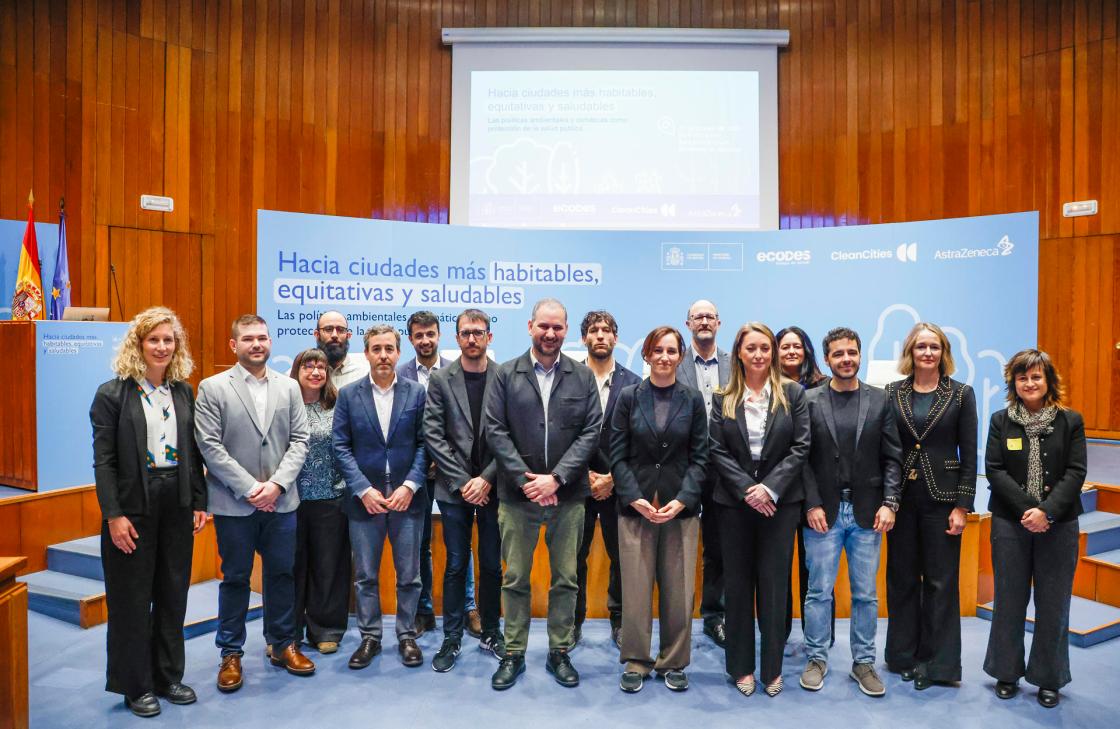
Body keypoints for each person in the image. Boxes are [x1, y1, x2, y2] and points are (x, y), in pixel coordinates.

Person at [90, 307, 208, 717]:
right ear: (138, 343)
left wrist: (198, 501)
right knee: (131, 599)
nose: (161, 346)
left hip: (175, 499)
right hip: (132, 505)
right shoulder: (112, 394)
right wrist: (113, 515)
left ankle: (168, 676)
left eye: (168, 340)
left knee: (173, 594)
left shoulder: (182, 391)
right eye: (153, 339)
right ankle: (135, 684)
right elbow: (103, 462)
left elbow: (192, 453)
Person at [485, 298, 602, 690]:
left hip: (568, 497)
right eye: (543, 326)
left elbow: (591, 432)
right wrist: (527, 480)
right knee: (515, 577)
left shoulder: (582, 377)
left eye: (557, 327)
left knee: (566, 578)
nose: (550, 334)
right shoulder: (504, 374)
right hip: (517, 498)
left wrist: (557, 479)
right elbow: (495, 431)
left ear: (566, 330)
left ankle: (559, 651)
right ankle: (514, 653)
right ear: (530, 326)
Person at [195, 315, 314, 692]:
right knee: (235, 579)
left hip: (281, 503)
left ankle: (282, 645)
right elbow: (209, 447)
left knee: (281, 576)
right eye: (248, 339)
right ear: (234, 346)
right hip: (234, 505)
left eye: (262, 338)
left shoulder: (289, 387)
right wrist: (250, 488)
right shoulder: (212, 388)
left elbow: (300, 440)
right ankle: (230, 653)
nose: (257, 344)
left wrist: (276, 485)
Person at [799, 327, 902, 697]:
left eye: (852, 353)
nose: (846, 359)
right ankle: (816, 658)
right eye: (838, 354)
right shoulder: (808, 400)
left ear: (860, 355)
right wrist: (810, 503)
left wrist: (891, 503)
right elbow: (802, 460)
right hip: (822, 514)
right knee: (818, 593)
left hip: (867, 514)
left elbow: (893, 457)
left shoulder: (880, 400)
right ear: (827, 359)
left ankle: (863, 663)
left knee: (865, 595)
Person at [709, 323, 810, 698]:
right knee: (737, 588)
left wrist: (768, 489)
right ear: (739, 352)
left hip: (779, 507)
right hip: (734, 506)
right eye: (751, 348)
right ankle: (740, 667)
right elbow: (715, 449)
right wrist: (747, 489)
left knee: (773, 586)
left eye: (765, 348)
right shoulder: (724, 397)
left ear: (772, 352)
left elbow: (801, 447)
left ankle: (772, 669)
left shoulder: (793, 394)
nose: (758, 355)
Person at [983, 349, 1086, 708]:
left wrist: (1047, 512)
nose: (1030, 383)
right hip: (1010, 522)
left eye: (1036, 377)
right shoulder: (1000, 421)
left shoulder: (1070, 421)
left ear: (1048, 381)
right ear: (1014, 382)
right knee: (1009, 600)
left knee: (1053, 603)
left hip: (1059, 525)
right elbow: (995, 469)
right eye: (1023, 377)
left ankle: (1048, 677)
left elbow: (1076, 472)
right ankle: (1006, 672)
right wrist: (1030, 510)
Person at [610, 326, 709, 693]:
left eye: (672, 351)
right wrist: (634, 496)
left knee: (679, 590)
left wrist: (682, 499)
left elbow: (700, 457)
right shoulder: (628, 397)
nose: (665, 357)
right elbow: (617, 455)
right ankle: (636, 659)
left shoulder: (693, 399)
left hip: (679, 507)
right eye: (658, 350)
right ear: (647, 355)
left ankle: (674, 661)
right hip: (635, 507)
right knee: (635, 590)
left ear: (680, 356)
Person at [884, 323, 977, 690]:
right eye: (921, 346)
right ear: (910, 351)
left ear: (943, 352)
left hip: (943, 502)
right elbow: (889, 450)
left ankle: (937, 664)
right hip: (903, 502)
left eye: (934, 346)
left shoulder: (961, 395)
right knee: (902, 580)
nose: (927, 352)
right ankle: (903, 656)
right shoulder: (892, 393)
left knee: (941, 582)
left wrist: (963, 506)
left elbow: (969, 455)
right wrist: (887, 501)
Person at [334, 325, 429, 669]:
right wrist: (362, 489)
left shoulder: (417, 393)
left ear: (398, 353)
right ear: (367, 353)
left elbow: (425, 443)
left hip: (408, 500)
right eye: (376, 349)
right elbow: (341, 446)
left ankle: (406, 636)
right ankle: (370, 637)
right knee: (366, 576)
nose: (383, 355)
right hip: (365, 501)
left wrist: (410, 485)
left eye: (389, 348)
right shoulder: (348, 394)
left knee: (409, 576)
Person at [424, 309, 506, 672]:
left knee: (491, 565)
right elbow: (434, 436)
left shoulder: (505, 377)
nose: (472, 339)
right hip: (453, 489)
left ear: (489, 336)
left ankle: (491, 631)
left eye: (478, 332)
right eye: (465, 333)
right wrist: (463, 482)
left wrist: (486, 478)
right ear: (456, 338)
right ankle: (452, 637)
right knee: (456, 565)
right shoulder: (441, 380)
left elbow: (513, 434)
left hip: (495, 486)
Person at [576, 310, 640, 647]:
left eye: (607, 330)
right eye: (594, 330)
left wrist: (612, 478)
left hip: (619, 486)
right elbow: (561, 434)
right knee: (574, 558)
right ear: (584, 338)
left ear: (616, 338)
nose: (600, 335)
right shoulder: (569, 378)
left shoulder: (634, 383)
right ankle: (573, 622)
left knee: (622, 558)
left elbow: (639, 439)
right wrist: (583, 475)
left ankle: (619, 621)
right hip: (576, 484)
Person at [397, 310, 458, 636]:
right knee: (418, 545)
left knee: (460, 541)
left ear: (439, 335)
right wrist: (423, 463)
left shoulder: (456, 370)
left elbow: (462, 423)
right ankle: (423, 613)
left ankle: (467, 608)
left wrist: (443, 459)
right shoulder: (399, 374)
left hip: (451, 472)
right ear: (410, 339)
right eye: (418, 335)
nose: (425, 340)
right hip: (415, 474)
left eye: (430, 334)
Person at [675, 299, 731, 648]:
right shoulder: (672, 362)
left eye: (710, 316)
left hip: (725, 471)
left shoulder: (734, 363)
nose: (705, 321)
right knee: (677, 546)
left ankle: (715, 616)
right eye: (698, 317)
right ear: (688, 323)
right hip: (683, 470)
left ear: (719, 322)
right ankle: (675, 617)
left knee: (719, 548)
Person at [288, 348, 350, 656]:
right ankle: (289, 632)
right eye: (308, 366)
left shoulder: (338, 405)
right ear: (297, 371)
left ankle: (326, 629)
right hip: (290, 500)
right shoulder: (285, 405)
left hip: (331, 497)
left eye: (321, 367)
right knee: (292, 567)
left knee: (329, 567)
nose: (315, 372)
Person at [314, 310, 369, 388]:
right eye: (328, 329)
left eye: (341, 330)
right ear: (317, 335)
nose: (334, 335)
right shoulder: (303, 374)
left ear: (348, 335)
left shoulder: (366, 373)